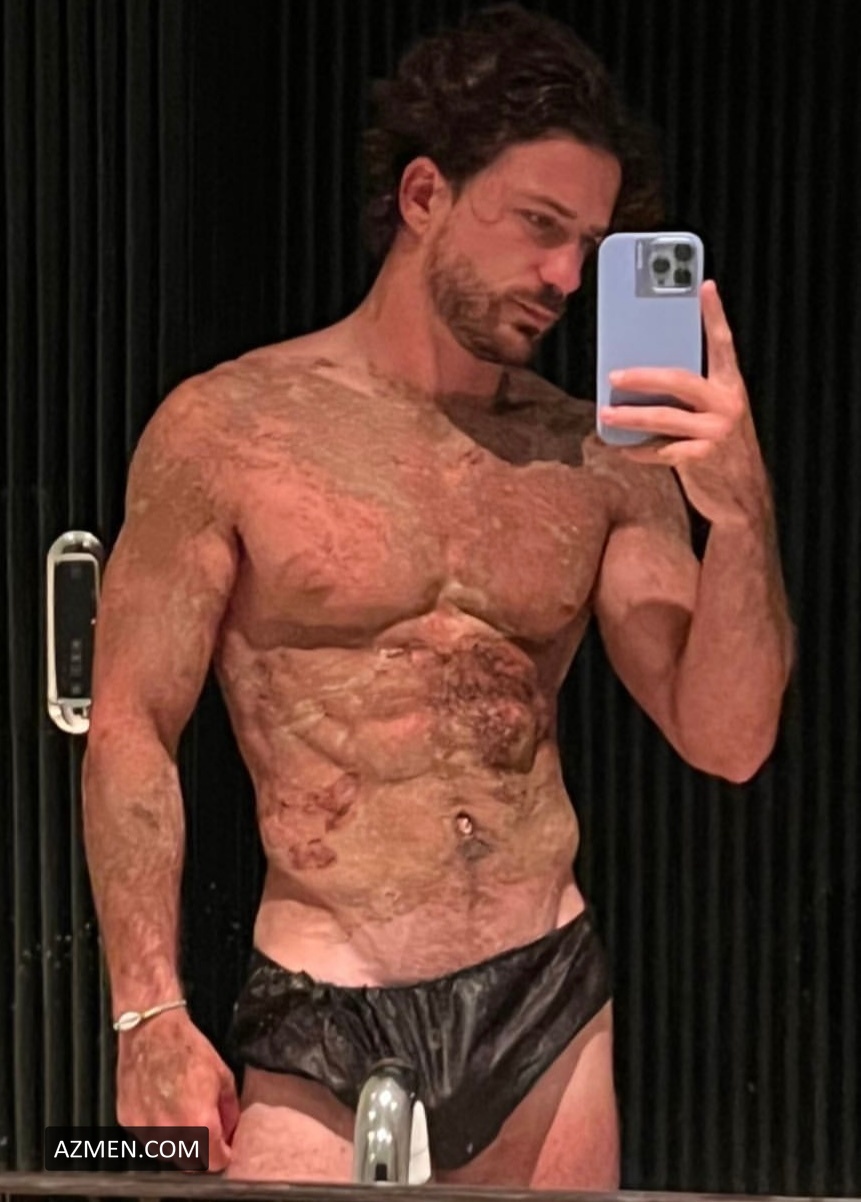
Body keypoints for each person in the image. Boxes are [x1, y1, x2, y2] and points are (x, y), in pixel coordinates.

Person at [81, 3, 794, 1188]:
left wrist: (744, 514)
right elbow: (130, 722)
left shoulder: (599, 459)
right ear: (424, 195)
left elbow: (729, 736)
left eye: (589, 242)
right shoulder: (230, 430)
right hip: (323, 994)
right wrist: (146, 1012)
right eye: (539, 224)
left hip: (546, 1000)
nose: (565, 276)